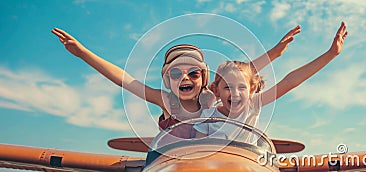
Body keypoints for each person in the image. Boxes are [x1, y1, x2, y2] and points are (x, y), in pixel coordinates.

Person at [50, 24, 301, 138]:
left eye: (193, 73)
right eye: (175, 73)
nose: (185, 78)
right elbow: (124, 80)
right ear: (167, 79)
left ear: (204, 79)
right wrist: (83, 53)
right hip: (173, 158)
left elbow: (243, 74)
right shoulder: (165, 100)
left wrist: (276, 52)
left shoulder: (210, 96)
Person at [194, 22, 348, 142]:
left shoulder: (251, 105)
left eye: (241, 87)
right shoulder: (207, 117)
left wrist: (331, 54)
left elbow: (290, 81)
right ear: (216, 91)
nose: (235, 93)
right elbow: (196, 152)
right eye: (228, 87)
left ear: (252, 90)